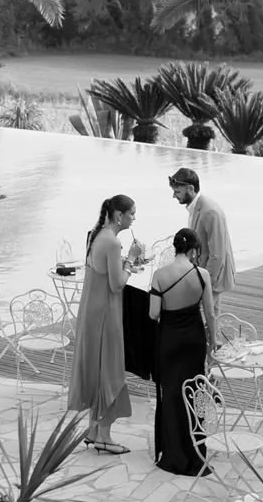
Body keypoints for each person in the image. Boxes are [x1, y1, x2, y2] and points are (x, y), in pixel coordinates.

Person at [68, 195, 138, 455]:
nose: (134, 218)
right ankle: (105, 436)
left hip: (91, 312)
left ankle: (94, 431)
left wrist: (125, 263)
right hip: (105, 315)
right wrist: (131, 260)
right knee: (109, 372)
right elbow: (117, 284)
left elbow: (105, 271)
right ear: (119, 215)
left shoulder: (96, 235)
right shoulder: (113, 242)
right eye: (132, 213)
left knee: (98, 371)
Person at [147, 228, 216, 478]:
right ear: (194, 251)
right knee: (195, 393)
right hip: (194, 341)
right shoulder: (202, 275)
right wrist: (213, 343)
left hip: (169, 340)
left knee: (172, 394)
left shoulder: (159, 275)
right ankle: (195, 452)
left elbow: (154, 313)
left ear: (176, 248)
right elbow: (210, 314)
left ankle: (173, 453)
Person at [170, 168, 236, 299]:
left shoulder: (210, 212)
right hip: (202, 273)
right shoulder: (196, 207)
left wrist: (204, 285)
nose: (174, 196)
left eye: (177, 192)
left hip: (212, 279)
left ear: (190, 189)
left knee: (206, 312)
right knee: (211, 313)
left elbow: (217, 255)